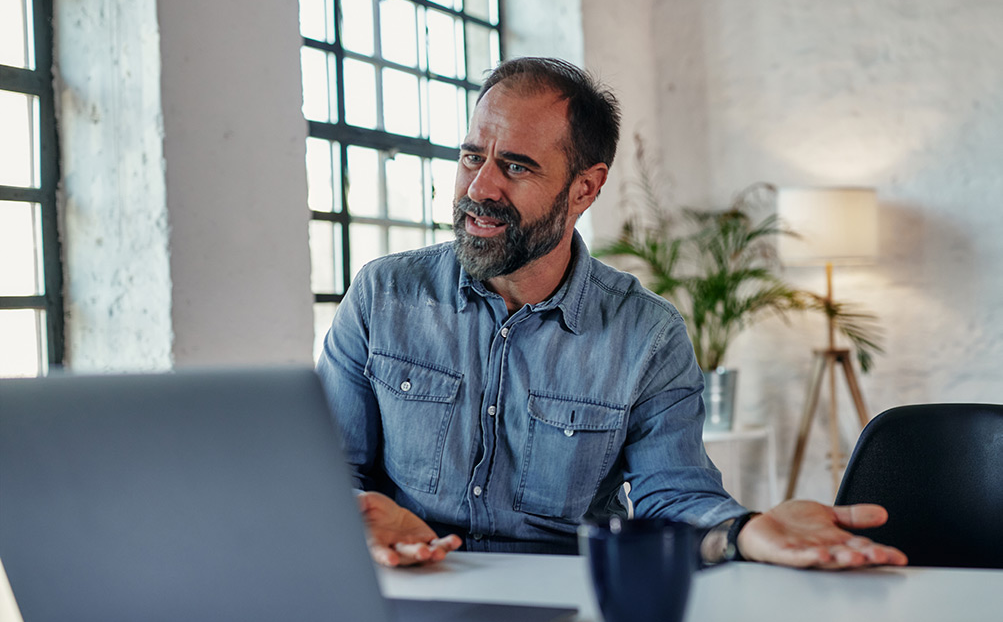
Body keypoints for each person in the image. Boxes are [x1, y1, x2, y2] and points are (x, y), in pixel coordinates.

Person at [317, 57, 907, 570]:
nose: (482, 187)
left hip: (567, 606)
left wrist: (744, 532)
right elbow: (325, 472)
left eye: (517, 167)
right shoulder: (381, 295)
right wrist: (353, 520)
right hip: (411, 588)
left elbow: (671, 494)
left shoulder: (647, 336)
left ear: (585, 188)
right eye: (473, 156)